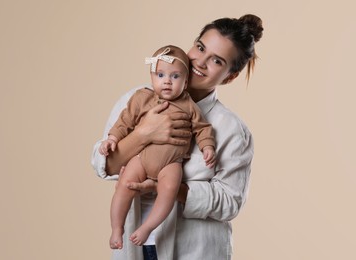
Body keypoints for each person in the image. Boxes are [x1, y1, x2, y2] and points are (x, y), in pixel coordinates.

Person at [92, 14, 263, 260]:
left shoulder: (231, 129)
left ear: (230, 76)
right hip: (133, 248)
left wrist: (172, 189)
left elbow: (230, 202)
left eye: (216, 60)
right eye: (200, 47)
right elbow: (103, 164)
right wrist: (143, 133)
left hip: (194, 251)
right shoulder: (138, 99)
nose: (200, 62)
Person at [98, 45, 216, 249]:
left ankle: (147, 228)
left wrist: (208, 147)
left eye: (175, 76)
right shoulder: (142, 98)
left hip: (171, 163)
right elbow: (124, 122)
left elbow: (203, 129)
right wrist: (112, 139)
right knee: (125, 185)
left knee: (169, 189)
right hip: (142, 158)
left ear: (186, 82)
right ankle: (117, 228)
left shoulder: (190, 106)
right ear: (152, 77)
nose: (167, 81)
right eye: (160, 74)